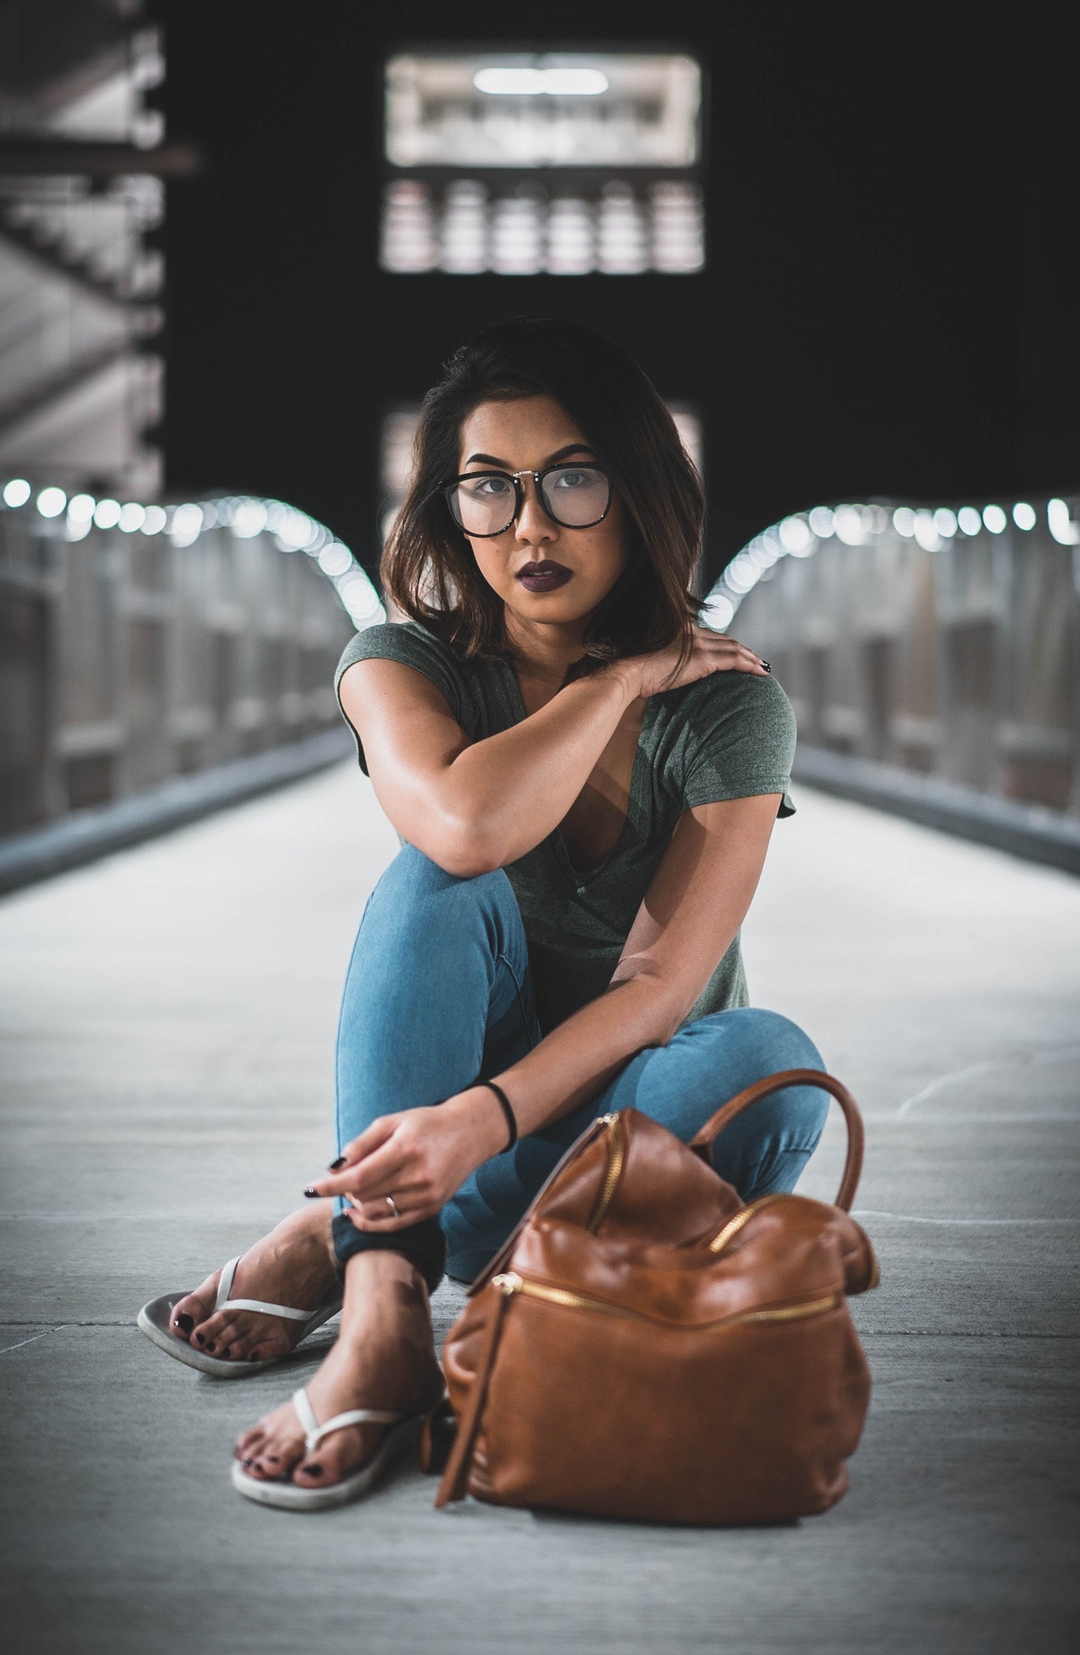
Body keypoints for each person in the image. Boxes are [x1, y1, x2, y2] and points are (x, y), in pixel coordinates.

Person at [138, 315, 829, 1511]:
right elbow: (464, 829)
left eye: (570, 479)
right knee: (430, 878)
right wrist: (615, 680)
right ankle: (385, 1314)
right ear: (449, 510)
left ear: (636, 487)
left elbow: (660, 993)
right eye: (488, 488)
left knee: (768, 1064)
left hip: (625, 1101)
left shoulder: (727, 707)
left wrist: (477, 1122)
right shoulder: (398, 661)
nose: (530, 527)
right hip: (455, 1093)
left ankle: (342, 1233)